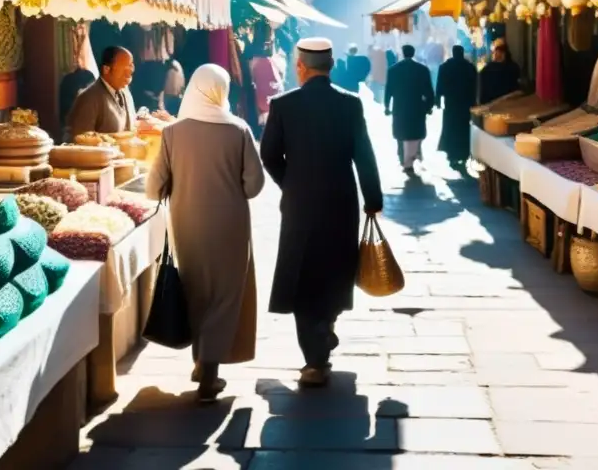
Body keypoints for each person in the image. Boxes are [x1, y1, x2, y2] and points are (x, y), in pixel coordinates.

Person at [260, 38, 383, 388]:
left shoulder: (283, 105)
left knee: (303, 275)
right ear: (329, 67)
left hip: (300, 206)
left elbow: (269, 156)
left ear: (300, 66)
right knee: (334, 269)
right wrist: (372, 198)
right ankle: (324, 334)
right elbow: (365, 156)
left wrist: (292, 184)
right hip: (341, 202)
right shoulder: (350, 104)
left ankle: (314, 359)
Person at [146, 64, 264, 403]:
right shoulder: (239, 130)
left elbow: (154, 188)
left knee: (196, 289)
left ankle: (202, 361)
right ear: (222, 90)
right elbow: (254, 186)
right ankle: (209, 374)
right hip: (230, 225)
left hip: (187, 223)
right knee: (225, 294)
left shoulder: (173, 133)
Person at [66, 46, 136, 140]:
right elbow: (81, 140)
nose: (129, 73)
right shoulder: (89, 98)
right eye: (124, 68)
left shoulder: (125, 92)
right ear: (106, 69)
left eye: (131, 66)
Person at [385, 44, 435, 174]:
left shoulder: (393, 70)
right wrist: (429, 105)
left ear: (402, 53)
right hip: (417, 105)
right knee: (416, 131)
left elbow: (388, 90)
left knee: (400, 130)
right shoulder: (422, 69)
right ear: (413, 53)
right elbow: (429, 90)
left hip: (400, 105)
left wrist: (386, 105)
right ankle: (414, 153)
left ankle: (402, 154)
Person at [436, 46, 477, 169]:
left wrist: (437, 100)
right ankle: (464, 154)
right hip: (466, 104)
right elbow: (475, 86)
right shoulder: (469, 67)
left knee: (451, 128)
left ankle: (452, 155)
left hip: (451, 104)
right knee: (463, 129)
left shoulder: (445, 67)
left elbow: (440, 85)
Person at [478, 38, 521, 105]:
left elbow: (483, 91)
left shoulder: (487, 69)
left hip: (492, 104)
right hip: (510, 104)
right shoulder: (514, 67)